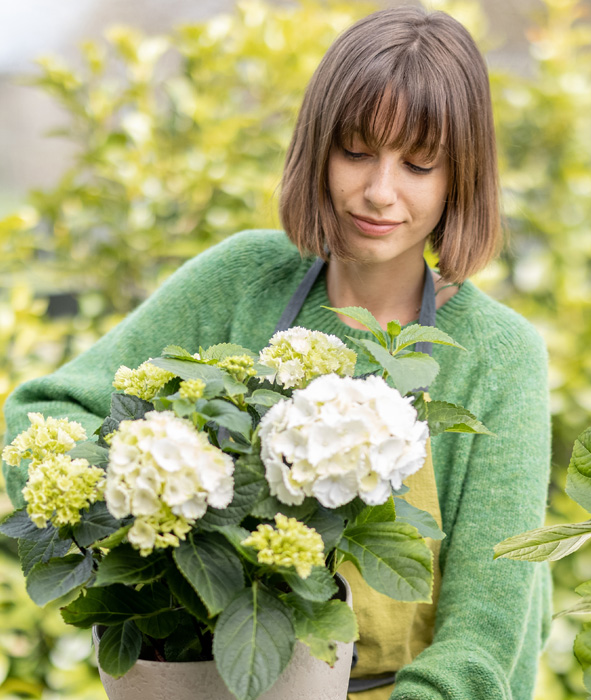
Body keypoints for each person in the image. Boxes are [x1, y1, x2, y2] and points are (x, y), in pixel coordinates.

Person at [2, 6, 551, 700]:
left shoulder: (499, 356)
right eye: (356, 152)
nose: (380, 192)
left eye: (419, 164)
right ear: (318, 149)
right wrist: (139, 495)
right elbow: (44, 411)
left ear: (460, 178)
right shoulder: (243, 280)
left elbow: (484, 641)